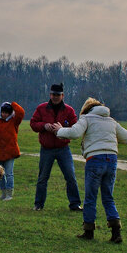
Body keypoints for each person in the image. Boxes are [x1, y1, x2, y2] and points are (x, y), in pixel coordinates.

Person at [57, 97, 127, 243]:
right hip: (111, 159)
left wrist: (59, 130)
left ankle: (89, 231)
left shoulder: (87, 118)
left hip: (94, 159)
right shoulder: (111, 121)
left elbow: (74, 133)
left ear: (86, 109)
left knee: (90, 197)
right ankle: (116, 233)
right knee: (108, 197)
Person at [29, 83, 81, 212]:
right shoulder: (41, 108)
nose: (55, 97)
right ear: (50, 95)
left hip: (63, 148)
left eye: (58, 95)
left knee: (70, 176)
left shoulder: (69, 110)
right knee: (42, 178)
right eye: (53, 94)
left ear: (62, 95)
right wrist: (44, 126)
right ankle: (38, 204)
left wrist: (62, 130)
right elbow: (33, 124)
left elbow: (76, 128)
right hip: (46, 149)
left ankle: (75, 204)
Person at [0, 100, 25, 199]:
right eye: (3, 112)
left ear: (11, 113)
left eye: (7, 113)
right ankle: (3, 194)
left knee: (9, 174)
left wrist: (13, 104)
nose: (4, 114)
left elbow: (21, 112)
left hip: (10, 152)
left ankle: (9, 194)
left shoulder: (14, 122)